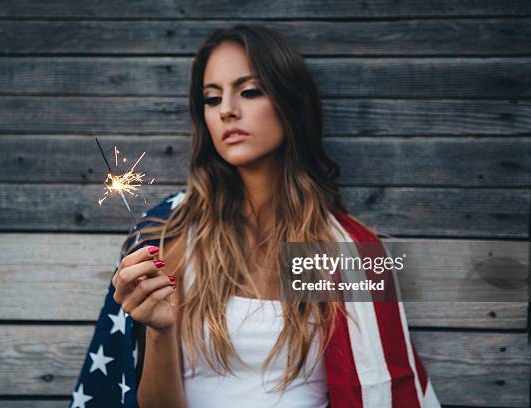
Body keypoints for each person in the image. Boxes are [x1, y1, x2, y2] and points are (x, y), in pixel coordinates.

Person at [70, 24, 441, 408]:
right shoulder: (172, 234)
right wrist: (160, 331)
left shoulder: (342, 250)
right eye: (212, 99)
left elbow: (379, 388)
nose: (228, 110)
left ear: (290, 102)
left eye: (249, 91)